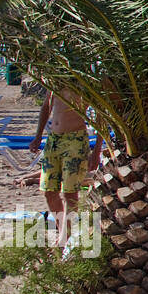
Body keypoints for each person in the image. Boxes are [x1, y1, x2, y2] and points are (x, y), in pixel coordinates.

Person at [29, 87, 100, 246]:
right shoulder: (55, 79)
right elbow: (46, 106)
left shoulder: (83, 82)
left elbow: (101, 115)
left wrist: (97, 151)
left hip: (75, 139)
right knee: (48, 190)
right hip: (54, 138)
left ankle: (64, 238)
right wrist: (38, 136)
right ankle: (63, 230)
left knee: (69, 192)